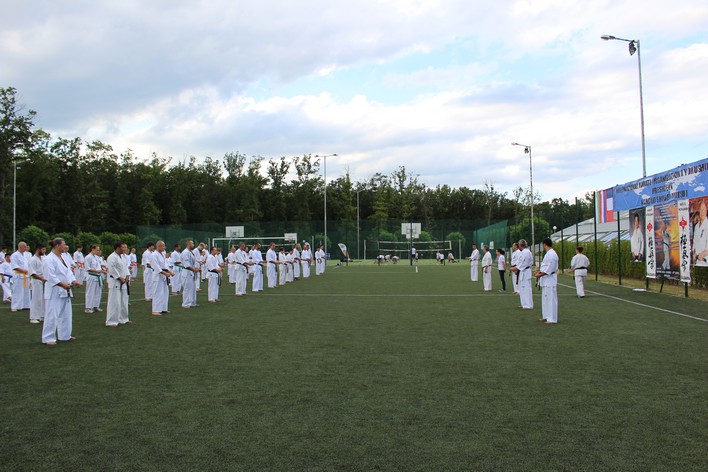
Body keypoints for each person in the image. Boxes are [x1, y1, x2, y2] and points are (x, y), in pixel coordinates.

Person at [41, 237, 82, 345]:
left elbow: (68, 272)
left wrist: (74, 281)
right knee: (52, 315)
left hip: (65, 289)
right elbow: (49, 276)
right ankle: (48, 338)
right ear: (57, 245)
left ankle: (65, 335)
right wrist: (61, 284)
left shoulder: (63, 257)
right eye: (64, 244)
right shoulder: (48, 259)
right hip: (54, 290)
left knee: (66, 314)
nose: (66, 246)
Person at [106, 242, 131, 327]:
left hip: (124, 281)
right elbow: (111, 269)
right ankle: (111, 321)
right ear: (117, 248)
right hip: (115, 281)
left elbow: (125, 267)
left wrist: (127, 275)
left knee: (124, 301)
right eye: (122, 248)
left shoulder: (123, 257)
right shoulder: (111, 257)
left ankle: (123, 319)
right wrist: (119, 277)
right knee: (114, 302)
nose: (124, 249)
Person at [536, 238, 559, 324]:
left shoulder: (552, 254)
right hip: (546, 279)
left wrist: (540, 274)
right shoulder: (548, 254)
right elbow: (545, 267)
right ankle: (546, 316)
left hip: (550, 279)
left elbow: (550, 269)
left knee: (550, 299)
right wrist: (539, 272)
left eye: (543, 245)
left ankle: (552, 319)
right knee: (545, 299)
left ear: (545, 244)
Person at [151, 240, 173, 315]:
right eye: (163, 246)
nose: (164, 247)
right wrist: (165, 273)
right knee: (157, 293)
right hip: (157, 276)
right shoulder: (154, 255)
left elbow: (165, 265)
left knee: (165, 292)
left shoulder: (163, 254)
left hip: (164, 276)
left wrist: (170, 272)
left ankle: (163, 308)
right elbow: (156, 267)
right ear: (159, 246)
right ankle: (155, 310)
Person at [511, 239, 533, 310]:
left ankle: (528, 305)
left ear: (521, 245)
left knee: (526, 288)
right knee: (522, 288)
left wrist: (516, 268)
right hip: (522, 271)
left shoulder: (526, 252)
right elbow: (519, 262)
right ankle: (524, 303)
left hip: (525, 271)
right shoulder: (523, 252)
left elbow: (523, 263)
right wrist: (516, 268)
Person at [10, 241, 31, 312]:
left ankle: (26, 305)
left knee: (26, 291)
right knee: (17, 291)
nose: (26, 248)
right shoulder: (14, 255)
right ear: (20, 247)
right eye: (24, 247)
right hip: (18, 275)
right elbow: (14, 266)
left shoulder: (25, 255)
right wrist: (23, 271)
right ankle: (15, 306)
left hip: (26, 275)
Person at [28, 244, 47, 324]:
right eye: (43, 249)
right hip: (36, 281)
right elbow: (32, 273)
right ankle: (33, 317)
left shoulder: (43, 258)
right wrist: (42, 279)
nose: (44, 251)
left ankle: (42, 315)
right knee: (36, 299)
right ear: (38, 249)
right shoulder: (33, 260)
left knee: (43, 299)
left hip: (43, 280)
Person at [84, 245, 104, 314]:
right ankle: (88, 307)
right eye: (97, 250)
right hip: (91, 276)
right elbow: (88, 268)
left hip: (98, 276)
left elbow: (99, 266)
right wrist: (97, 271)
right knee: (90, 292)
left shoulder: (96, 257)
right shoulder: (88, 257)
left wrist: (102, 270)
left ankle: (96, 306)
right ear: (92, 249)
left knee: (98, 292)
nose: (98, 251)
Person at [180, 240, 199, 308]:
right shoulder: (185, 252)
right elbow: (187, 264)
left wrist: (196, 269)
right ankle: (185, 303)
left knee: (192, 288)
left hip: (191, 272)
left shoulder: (190, 252)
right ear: (188, 244)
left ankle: (192, 302)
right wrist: (194, 269)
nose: (193, 245)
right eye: (192, 243)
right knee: (187, 288)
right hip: (187, 272)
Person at [693, 200, 708, 266]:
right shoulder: (696, 226)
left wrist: (702, 254)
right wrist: (694, 253)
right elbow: (695, 242)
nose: (702, 212)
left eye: (703, 209)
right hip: (697, 261)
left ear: (706, 210)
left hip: (705, 260)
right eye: (700, 209)